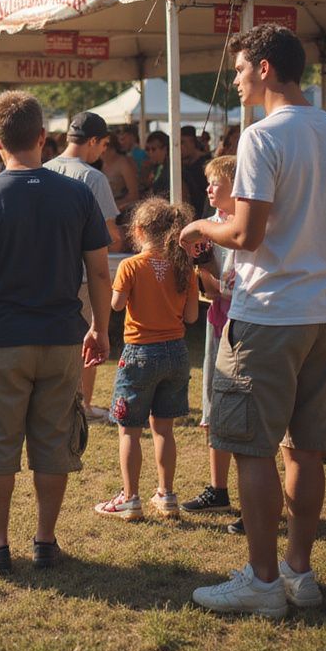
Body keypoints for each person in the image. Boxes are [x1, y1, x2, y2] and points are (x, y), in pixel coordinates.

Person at [179, 23, 326, 619]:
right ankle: (298, 571)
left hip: (270, 314)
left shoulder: (263, 137)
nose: (237, 80)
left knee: (253, 450)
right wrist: (313, 240)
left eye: (240, 70)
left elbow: (244, 233)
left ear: (265, 68)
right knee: (307, 449)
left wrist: (198, 228)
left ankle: (263, 582)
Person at [0, 91, 111, 575]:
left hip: (2, 339)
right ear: (43, 138)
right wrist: (100, 326)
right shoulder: (78, 193)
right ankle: (46, 541)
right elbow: (99, 272)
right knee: (54, 444)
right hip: (61, 339)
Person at [94, 198, 197, 520]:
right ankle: (166, 494)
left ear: (137, 231)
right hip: (176, 352)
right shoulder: (185, 267)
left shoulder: (132, 265)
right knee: (163, 429)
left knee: (129, 430)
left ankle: (130, 497)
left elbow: (116, 305)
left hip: (140, 353)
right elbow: (192, 315)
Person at [44, 111, 123, 422]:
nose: (102, 151)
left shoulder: (44, 168)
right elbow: (109, 234)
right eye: (102, 145)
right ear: (93, 141)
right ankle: (83, 405)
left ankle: (55, 403)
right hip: (82, 274)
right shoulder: (93, 177)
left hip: (48, 273)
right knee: (89, 339)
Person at [180, 155, 239, 521]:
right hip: (218, 322)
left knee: (242, 409)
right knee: (215, 405)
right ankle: (217, 488)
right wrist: (202, 264)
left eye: (216, 182)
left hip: (244, 324)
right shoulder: (210, 224)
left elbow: (229, 288)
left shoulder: (246, 225)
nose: (209, 188)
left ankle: (256, 496)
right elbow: (215, 289)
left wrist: (207, 274)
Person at [180, 126, 209, 218]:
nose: (180, 147)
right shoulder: (182, 164)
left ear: (192, 142)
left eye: (182, 142)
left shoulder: (206, 163)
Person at [145, 131, 171, 199]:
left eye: (153, 149)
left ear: (165, 149)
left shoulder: (171, 170)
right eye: (147, 149)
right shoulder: (156, 167)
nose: (150, 153)